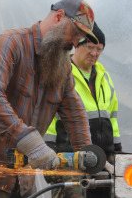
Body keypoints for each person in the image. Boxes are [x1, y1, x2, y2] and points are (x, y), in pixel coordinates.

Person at [0, 0, 99, 198]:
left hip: (24, 177)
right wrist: (31, 143)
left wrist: (88, 156)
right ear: (59, 17)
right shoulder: (9, 44)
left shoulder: (63, 66)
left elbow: (75, 114)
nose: (76, 43)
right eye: (75, 34)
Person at [44, 22, 121, 198]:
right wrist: (49, 154)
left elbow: (113, 118)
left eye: (99, 49)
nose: (94, 53)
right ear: (77, 45)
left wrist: (116, 151)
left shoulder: (104, 78)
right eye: (90, 47)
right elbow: (49, 118)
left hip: (102, 162)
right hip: (69, 162)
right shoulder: (61, 73)